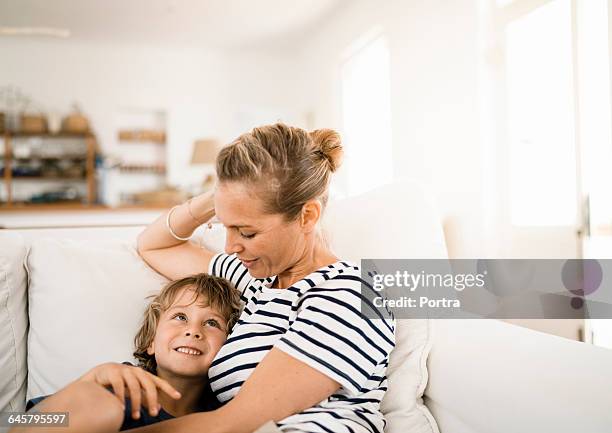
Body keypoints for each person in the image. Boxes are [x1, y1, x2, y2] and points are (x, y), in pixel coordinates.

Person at [134, 123, 395, 433]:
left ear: (307, 216)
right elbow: (154, 245)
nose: (231, 246)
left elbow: (234, 422)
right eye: (225, 226)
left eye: (247, 232)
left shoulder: (353, 295)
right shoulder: (254, 281)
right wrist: (221, 194)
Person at [15, 274, 240, 433]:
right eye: (180, 317)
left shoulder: (228, 409)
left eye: (212, 322)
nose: (193, 331)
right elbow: (11, 423)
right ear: (151, 341)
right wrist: (87, 383)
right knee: (100, 404)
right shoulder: (117, 384)